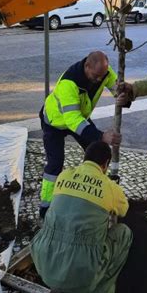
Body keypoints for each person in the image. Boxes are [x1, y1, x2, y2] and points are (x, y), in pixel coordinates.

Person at [31, 141, 132, 293]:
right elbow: (123, 210)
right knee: (123, 233)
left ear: (84, 158)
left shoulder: (64, 175)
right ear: (106, 164)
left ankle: (60, 290)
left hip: (44, 264)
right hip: (83, 275)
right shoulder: (109, 186)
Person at [39, 51, 121, 218]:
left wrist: (124, 96)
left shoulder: (103, 71)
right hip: (55, 123)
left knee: (98, 154)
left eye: (102, 76)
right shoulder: (69, 84)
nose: (99, 80)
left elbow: (116, 88)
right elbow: (73, 120)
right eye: (95, 76)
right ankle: (46, 208)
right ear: (87, 66)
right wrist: (101, 136)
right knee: (55, 164)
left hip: (79, 118)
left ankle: (94, 194)